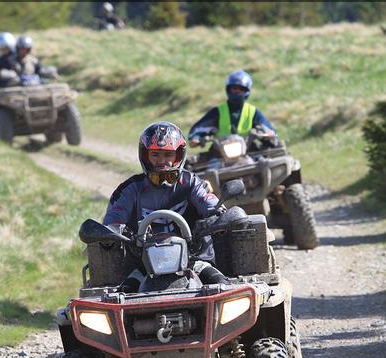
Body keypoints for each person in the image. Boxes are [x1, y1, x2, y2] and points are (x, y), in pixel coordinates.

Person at [103, 121, 228, 292]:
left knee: (224, 285)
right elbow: (114, 217)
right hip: (145, 266)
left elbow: (208, 202)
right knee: (120, 295)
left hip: (194, 259)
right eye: (155, 155)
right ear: (145, 156)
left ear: (179, 155)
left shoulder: (191, 183)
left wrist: (219, 215)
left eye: (168, 155)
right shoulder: (130, 189)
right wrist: (109, 231)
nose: (162, 161)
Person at [188, 69, 276, 147]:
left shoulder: (253, 112)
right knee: (211, 164)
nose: (237, 92)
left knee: (263, 163)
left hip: (247, 150)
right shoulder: (217, 112)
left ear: (246, 91)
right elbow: (198, 129)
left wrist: (267, 133)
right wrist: (196, 138)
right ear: (228, 89)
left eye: (241, 89)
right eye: (234, 88)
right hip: (220, 154)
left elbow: (268, 129)